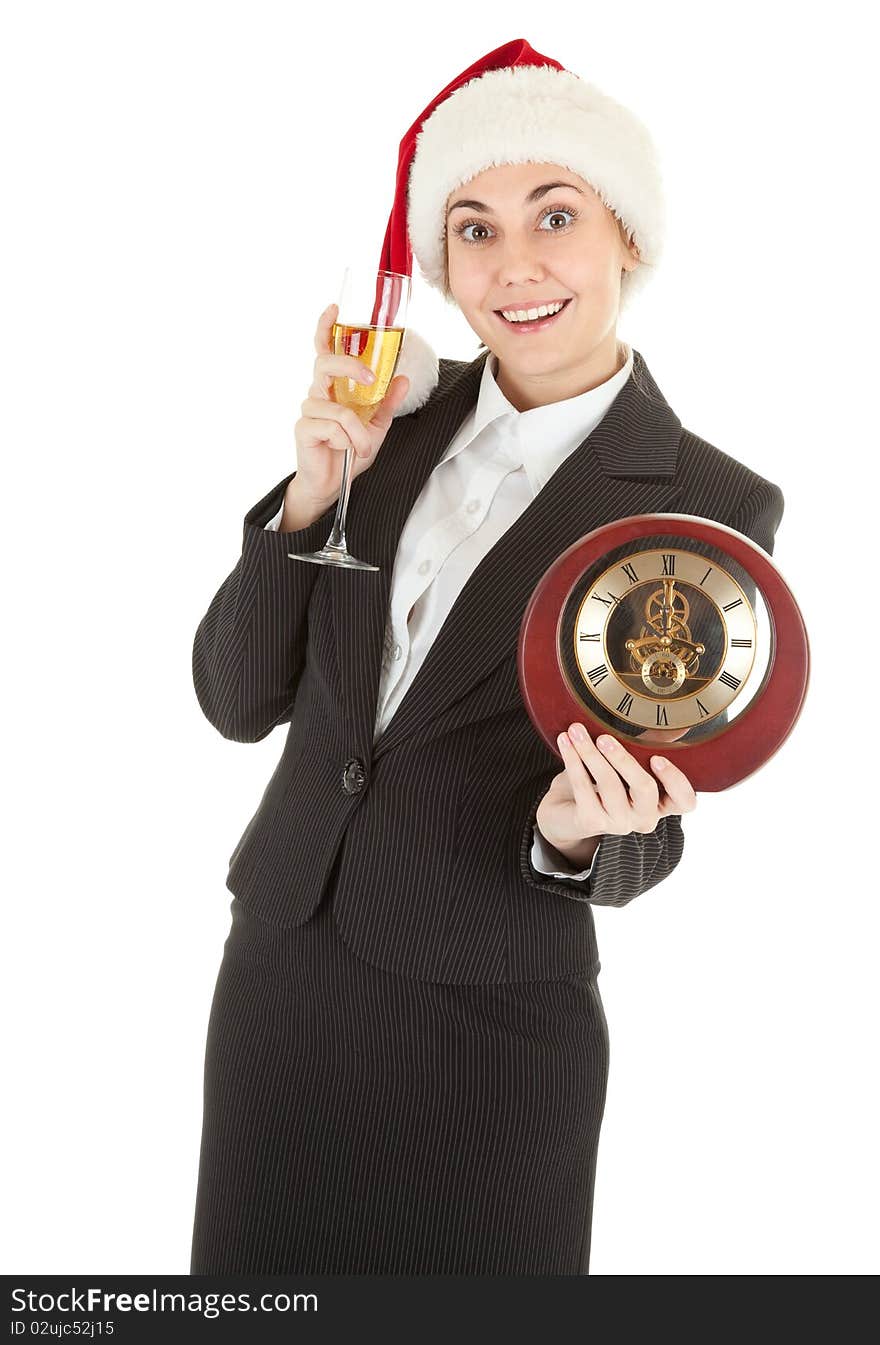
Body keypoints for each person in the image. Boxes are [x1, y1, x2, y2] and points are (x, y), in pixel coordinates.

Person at [189, 39, 784, 1275]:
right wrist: (311, 495)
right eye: (472, 228)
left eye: (553, 216)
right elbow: (236, 696)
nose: (514, 265)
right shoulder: (383, 426)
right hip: (282, 982)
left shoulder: (703, 500)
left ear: (625, 236)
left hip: (485, 1024)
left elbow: (651, 823)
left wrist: (580, 832)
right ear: (441, 265)